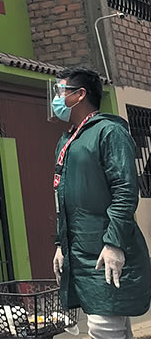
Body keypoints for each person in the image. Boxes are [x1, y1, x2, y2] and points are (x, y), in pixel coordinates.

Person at [50, 67, 151, 338]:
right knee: (111, 324)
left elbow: (125, 191)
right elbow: (63, 197)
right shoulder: (68, 140)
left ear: (80, 95)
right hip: (79, 249)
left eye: (61, 91)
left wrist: (114, 243)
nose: (56, 98)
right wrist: (61, 245)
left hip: (105, 245)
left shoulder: (109, 132)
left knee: (103, 325)